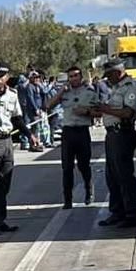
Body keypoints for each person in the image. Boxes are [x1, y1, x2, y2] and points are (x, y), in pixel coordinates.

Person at [0, 61, 39, 235]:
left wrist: (30, 135)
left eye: (1, 75)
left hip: (7, 142)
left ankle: (0, 220)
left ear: (7, 77)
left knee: (4, 185)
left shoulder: (12, 94)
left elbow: (16, 119)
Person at [93, 59, 136, 228]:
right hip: (112, 134)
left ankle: (131, 214)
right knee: (112, 176)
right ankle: (117, 212)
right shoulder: (116, 89)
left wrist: (106, 109)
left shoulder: (131, 89)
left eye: (109, 75)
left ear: (117, 73)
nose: (107, 79)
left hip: (123, 133)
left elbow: (127, 112)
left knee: (124, 175)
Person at [46, 66, 98, 209]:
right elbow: (48, 105)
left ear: (81, 77)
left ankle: (89, 189)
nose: (73, 79)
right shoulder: (64, 93)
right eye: (70, 76)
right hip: (68, 132)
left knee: (83, 165)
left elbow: (99, 111)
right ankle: (67, 199)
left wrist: (86, 111)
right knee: (67, 167)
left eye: (76, 75)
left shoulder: (89, 92)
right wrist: (61, 91)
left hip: (82, 131)